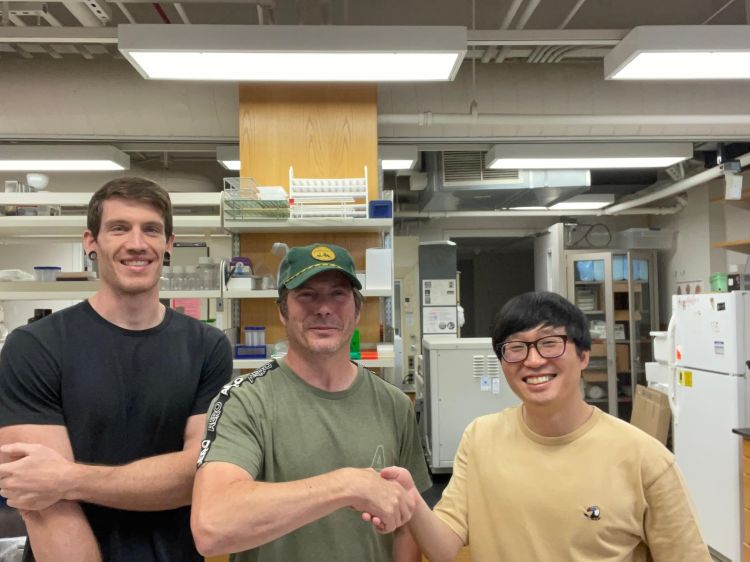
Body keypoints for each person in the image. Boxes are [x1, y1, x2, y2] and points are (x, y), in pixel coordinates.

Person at [367, 291, 712, 562]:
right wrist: (410, 499)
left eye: (550, 343)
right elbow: (443, 549)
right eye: (516, 348)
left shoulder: (645, 459)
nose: (533, 360)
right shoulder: (480, 437)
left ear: (583, 355)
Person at [0, 177, 233, 562]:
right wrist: (152, 480)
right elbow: (42, 497)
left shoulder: (207, 347)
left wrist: (70, 478)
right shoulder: (34, 346)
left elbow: (198, 474)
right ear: (91, 242)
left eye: (151, 230)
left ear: (169, 244)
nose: (137, 244)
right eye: (119, 228)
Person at [191, 242, 431, 562]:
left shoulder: (394, 405)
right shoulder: (244, 401)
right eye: (307, 294)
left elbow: (405, 528)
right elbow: (211, 527)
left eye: (338, 294)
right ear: (282, 309)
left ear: (357, 309)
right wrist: (346, 485)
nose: (324, 308)